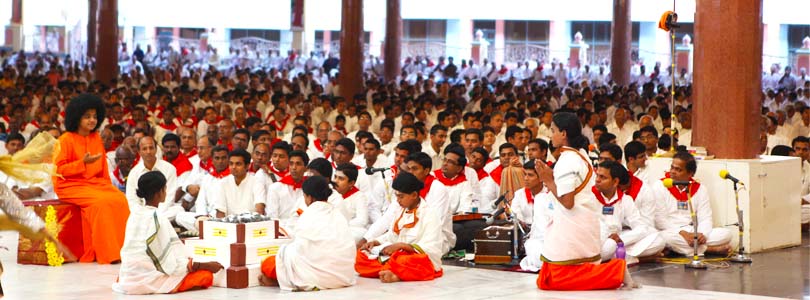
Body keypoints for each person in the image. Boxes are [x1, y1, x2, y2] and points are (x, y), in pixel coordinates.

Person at [532, 112, 638, 290]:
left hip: (573, 224)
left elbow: (568, 202)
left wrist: (547, 180)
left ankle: (616, 270)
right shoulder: (580, 154)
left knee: (555, 280)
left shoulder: (567, 160)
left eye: (553, 130)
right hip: (578, 222)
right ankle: (612, 269)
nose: (551, 135)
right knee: (546, 277)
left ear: (564, 134)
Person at [113, 171, 223, 294]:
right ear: (159, 192)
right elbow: (171, 265)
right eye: (165, 188)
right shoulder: (158, 217)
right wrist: (203, 265)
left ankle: (134, 284)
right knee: (205, 276)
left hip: (128, 275)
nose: (166, 191)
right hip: (150, 277)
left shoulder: (134, 214)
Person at [53, 94, 130, 264]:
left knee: (119, 199)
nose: (92, 120)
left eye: (95, 116)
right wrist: (82, 163)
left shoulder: (96, 138)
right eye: (87, 116)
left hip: (95, 184)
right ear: (77, 117)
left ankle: (124, 249)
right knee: (101, 204)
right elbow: (58, 170)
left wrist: (109, 187)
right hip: (70, 185)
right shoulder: (65, 140)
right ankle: (109, 253)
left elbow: (102, 169)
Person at [259, 176, 356, 291]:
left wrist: (284, 252)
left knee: (268, 263)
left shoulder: (309, 214)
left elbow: (298, 250)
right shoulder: (337, 214)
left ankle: (278, 280)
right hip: (343, 275)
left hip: (315, 276)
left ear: (309, 197)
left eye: (304, 196)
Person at [356, 172, 444, 283]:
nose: (398, 200)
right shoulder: (400, 210)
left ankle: (395, 273)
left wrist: (402, 246)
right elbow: (391, 236)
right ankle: (395, 270)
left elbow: (432, 248)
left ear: (414, 195)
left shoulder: (430, 214)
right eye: (396, 196)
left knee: (405, 260)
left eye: (401, 196)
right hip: (395, 256)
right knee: (362, 255)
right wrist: (376, 242)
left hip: (416, 258)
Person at [655, 151, 732, 256]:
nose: (672, 172)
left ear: (690, 173)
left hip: (692, 230)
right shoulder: (660, 186)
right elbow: (660, 220)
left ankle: (682, 249)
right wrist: (683, 233)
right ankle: (710, 250)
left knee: (726, 234)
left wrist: (701, 235)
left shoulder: (700, 189)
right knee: (662, 239)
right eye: (672, 167)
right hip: (671, 231)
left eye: (678, 170)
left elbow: (705, 218)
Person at [593, 161, 664, 264]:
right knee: (608, 246)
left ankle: (618, 257)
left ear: (615, 182)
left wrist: (621, 238)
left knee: (658, 239)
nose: (597, 180)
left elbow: (640, 226)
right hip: (596, 241)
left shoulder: (626, 200)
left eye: (603, 177)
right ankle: (630, 258)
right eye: (597, 176)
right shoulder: (589, 197)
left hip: (617, 241)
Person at [213, 149, 264, 217]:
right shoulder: (223, 183)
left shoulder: (257, 182)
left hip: (251, 223)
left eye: (238, 164)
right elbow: (220, 212)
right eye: (231, 163)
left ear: (247, 166)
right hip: (229, 224)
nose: (233, 167)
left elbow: (259, 209)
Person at [330, 163, 370, 242]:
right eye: (335, 177)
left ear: (351, 183)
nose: (336, 181)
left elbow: (362, 220)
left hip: (349, 229)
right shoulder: (330, 192)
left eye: (341, 179)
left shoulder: (359, 196)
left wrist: (340, 224)